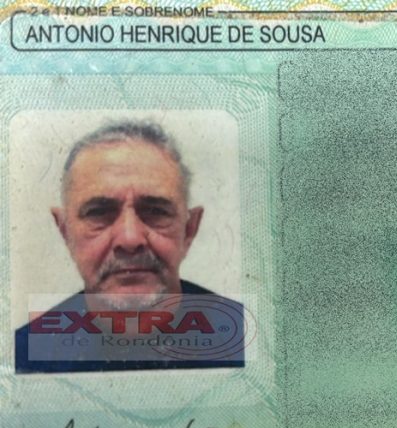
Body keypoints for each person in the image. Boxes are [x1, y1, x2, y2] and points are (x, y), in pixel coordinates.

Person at [15, 120, 244, 373]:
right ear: (65, 232)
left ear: (189, 229)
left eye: (155, 211)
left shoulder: (249, 342)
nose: (130, 239)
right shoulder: (23, 359)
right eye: (98, 212)